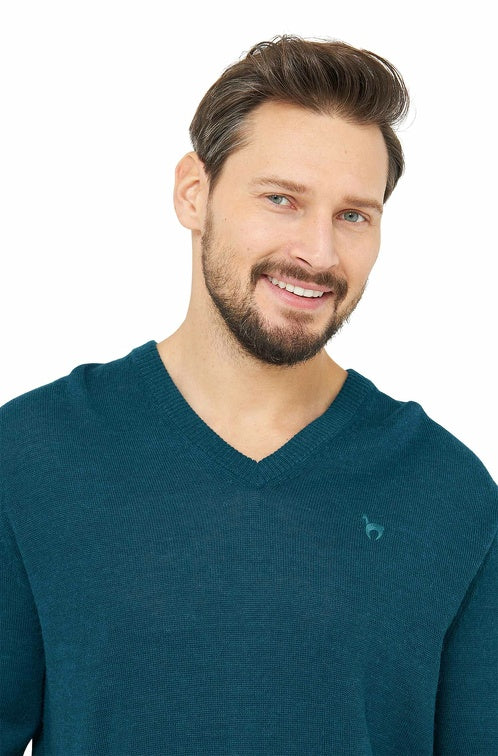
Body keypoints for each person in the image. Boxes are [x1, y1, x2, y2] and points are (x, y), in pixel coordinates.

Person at [1, 34, 496, 756]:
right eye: (281, 200)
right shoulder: (33, 456)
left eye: (353, 215)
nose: (319, 253)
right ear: (193, 194)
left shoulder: (448, 493)